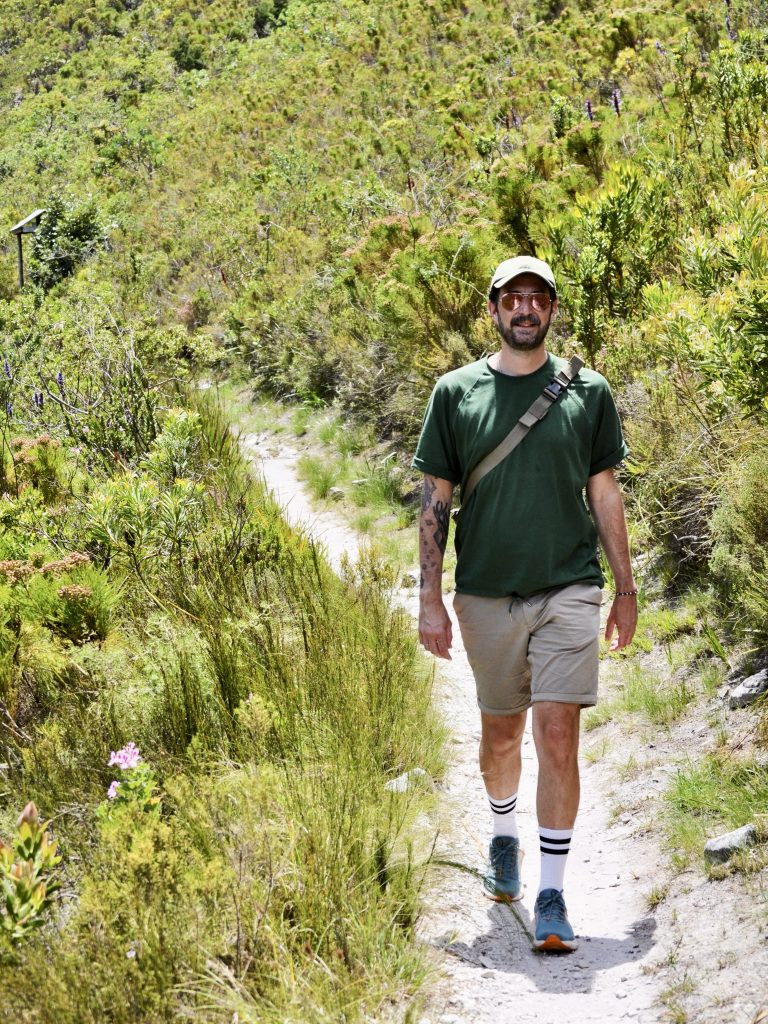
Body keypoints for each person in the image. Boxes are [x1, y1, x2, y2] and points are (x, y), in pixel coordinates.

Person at [412, 255, 637, 952]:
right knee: (503, 734)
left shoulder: (588, 391)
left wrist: (625, 588)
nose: (525, 309)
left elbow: (604, 490)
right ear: (493, 310)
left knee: (558, 732)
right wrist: (429, 598)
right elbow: (435, 499)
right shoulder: (456, 393)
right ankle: (503, 833)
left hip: (569, 585)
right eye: (513, 298)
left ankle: (552, 895)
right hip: (486, 592)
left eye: (538, 298)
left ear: (552, 310)